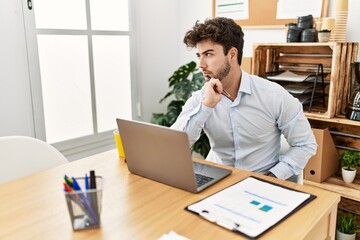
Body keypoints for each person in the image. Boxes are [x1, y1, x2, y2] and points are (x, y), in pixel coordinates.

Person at [171, 17, 317, 180]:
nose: (201, 64)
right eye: (199, 55)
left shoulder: (273, 95)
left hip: (260, 184)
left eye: (209, 54)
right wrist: (206, 107)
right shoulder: (201, 99)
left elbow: (305, 144)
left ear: (232, 54)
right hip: (216, 182)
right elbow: (174, 147)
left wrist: (273, 176)